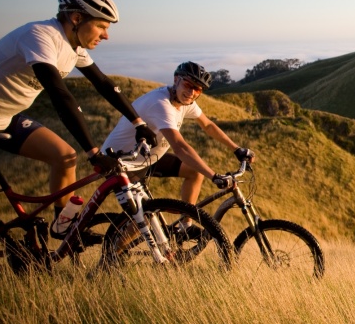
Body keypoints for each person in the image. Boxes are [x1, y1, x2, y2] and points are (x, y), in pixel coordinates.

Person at [0, 0, 158, 261]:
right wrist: (93, 152)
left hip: (1, 117)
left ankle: (62, 228)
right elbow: (59, 94)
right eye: (102, 26)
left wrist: (138, 122)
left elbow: (103, 84)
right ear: (77, 18)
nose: (106, 35)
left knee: (64, 157)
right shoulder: (40, 36)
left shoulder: (74, 46)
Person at [101, 61, 254, 237]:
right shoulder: (161, 104)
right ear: (176, 80)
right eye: (188, 85)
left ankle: (185, 225)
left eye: (198, 89)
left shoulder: (185, 102)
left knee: (193, 172)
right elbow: (180, 147)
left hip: (146, 158)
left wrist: (236, 149)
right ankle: (112, 257)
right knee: (144, 218)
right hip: (120, 163)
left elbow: (208, 125)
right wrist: (213, 176)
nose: (191, 93)